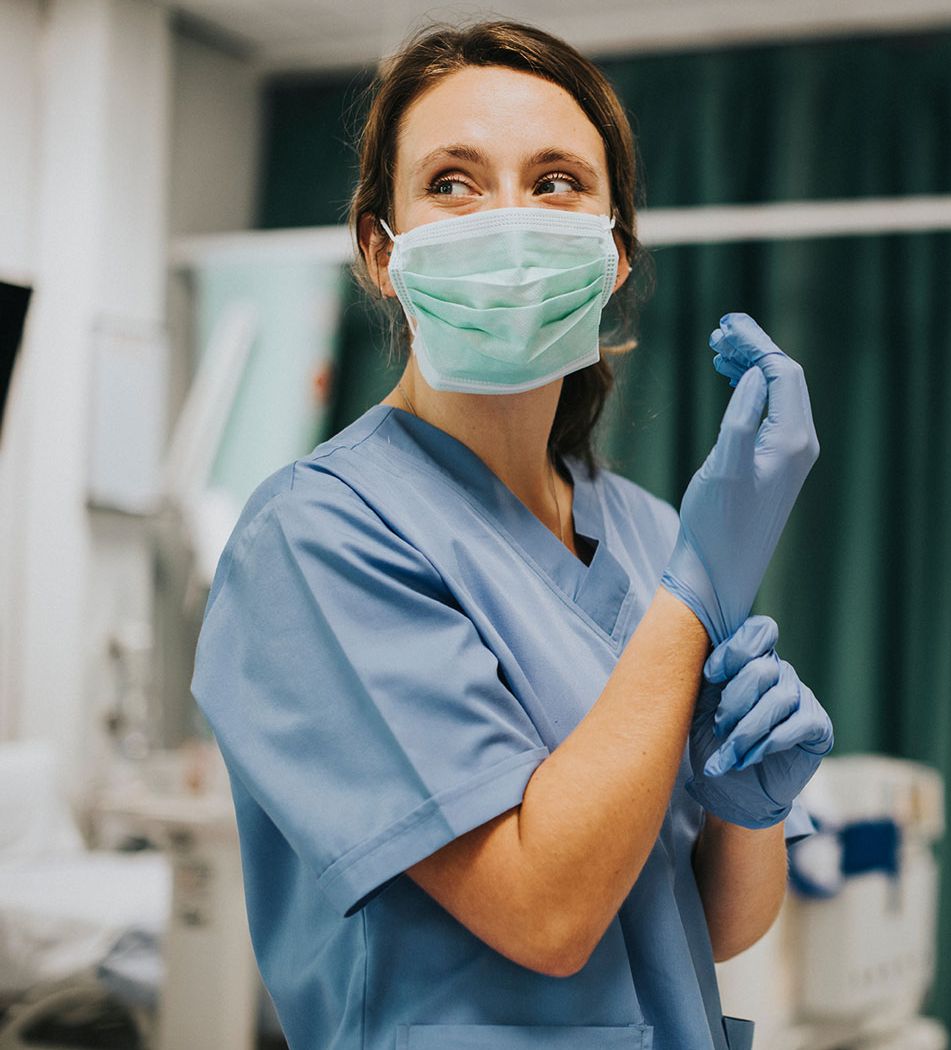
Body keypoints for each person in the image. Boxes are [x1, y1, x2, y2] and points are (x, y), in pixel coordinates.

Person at [191, 19, 833, 1050]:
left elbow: (702, 926)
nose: (507, 221)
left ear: (613, 252)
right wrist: (698, 589)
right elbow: (547, 913)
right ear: (379, 251)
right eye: (451, 182)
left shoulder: (646, 532)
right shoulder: (315, 539)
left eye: (555, 182)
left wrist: (748, 809)